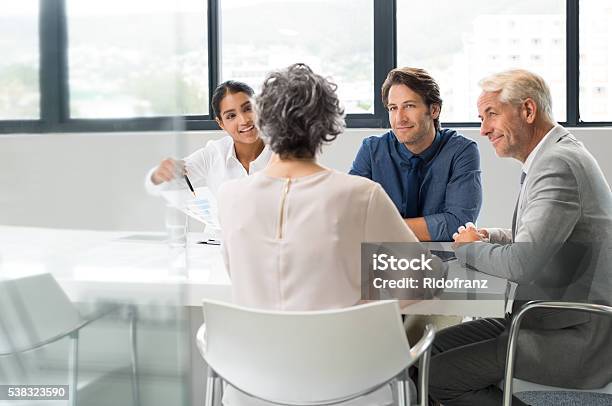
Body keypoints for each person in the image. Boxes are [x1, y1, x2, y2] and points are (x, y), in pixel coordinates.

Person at [217, 63, 445, 406]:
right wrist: (361, 305)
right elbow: (423, 281)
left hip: (253, 391)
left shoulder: (230, 197)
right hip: (350, 391)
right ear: (326, 124)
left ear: (264, 122)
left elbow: (238, 273)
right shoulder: (360, 194)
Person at [429, 69, 612, 405]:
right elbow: (547, 237)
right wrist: (491, 236)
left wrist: (471, 249)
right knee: (431, 350)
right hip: (550, 320)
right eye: (481, 118)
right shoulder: (555, 155)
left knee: (439, 377)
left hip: (574, 338)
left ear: (528, 110)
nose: (483, 129)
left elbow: (523, 262)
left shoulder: (557, 164)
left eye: (491, 115)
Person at [349, 67, 482, 241]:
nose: (399, 118)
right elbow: (350, 217)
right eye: (393, 108)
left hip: (445, 260)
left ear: (434, 110)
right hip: (383, 258)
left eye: (409, 106)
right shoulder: (372, 150)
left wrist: (381, 227)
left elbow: (458, 222)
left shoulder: (461, 151)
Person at [144, 80, 272, 198]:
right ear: (221, 123)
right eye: (231, 116)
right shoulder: (213, 154)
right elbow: (162, 187)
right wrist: (158, 175)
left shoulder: (282, 149)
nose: (244, 120)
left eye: (248, 109)